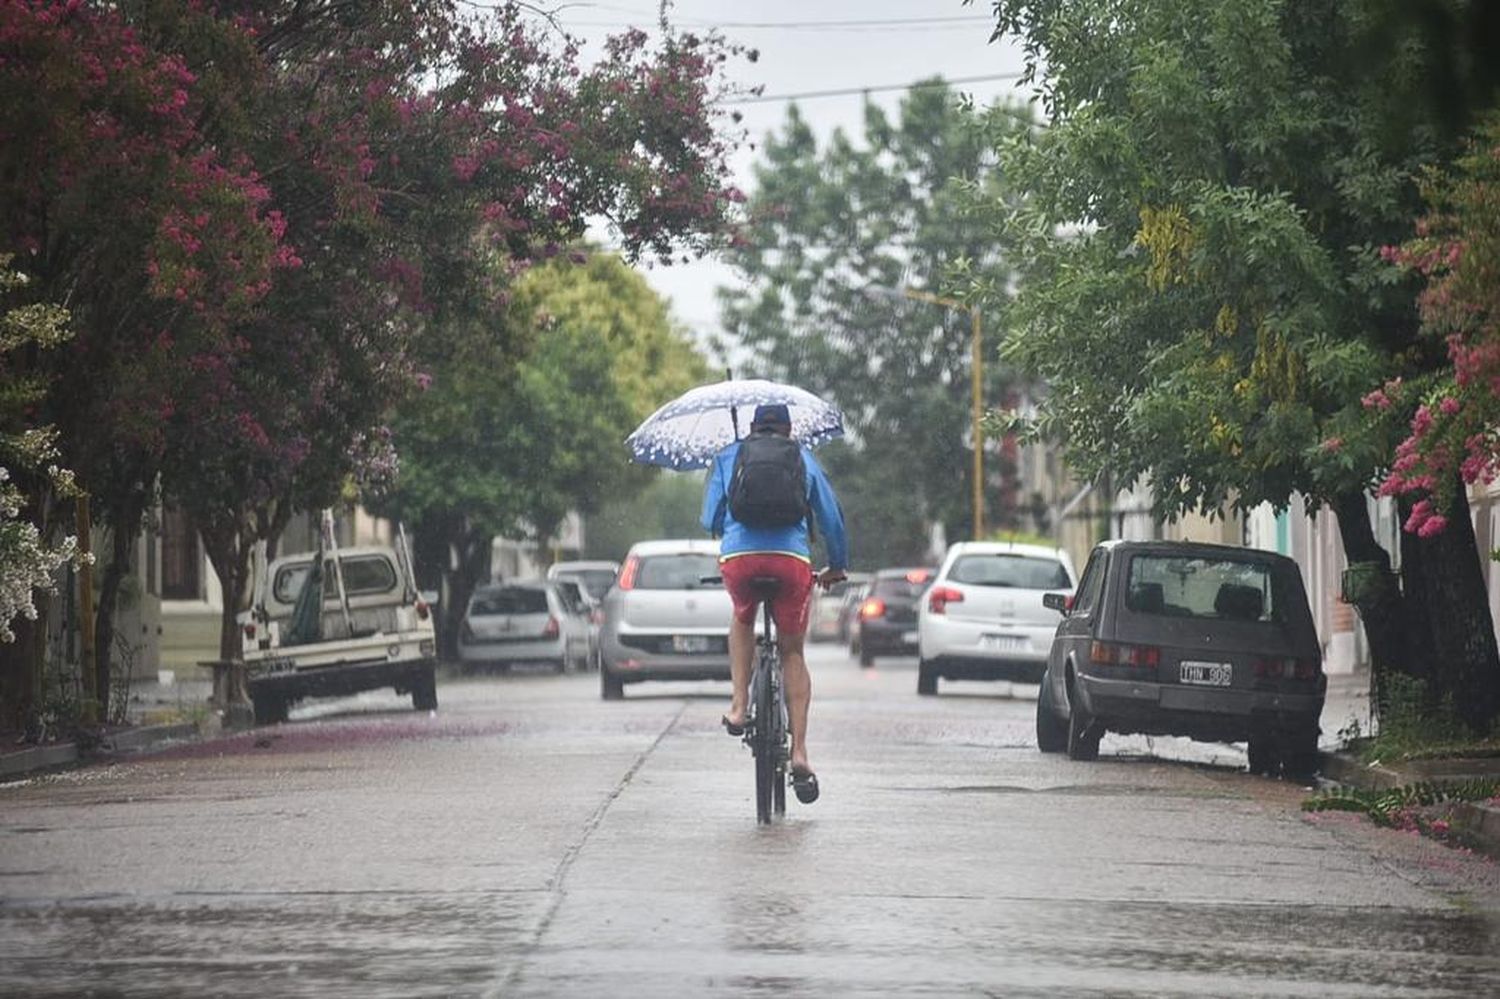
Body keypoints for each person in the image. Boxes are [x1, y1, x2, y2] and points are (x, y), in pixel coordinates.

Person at [701, 403, 848, 804]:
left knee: (742, 618)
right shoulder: (803, 458)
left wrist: (728, 523)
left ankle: (738, 704)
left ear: (751, 428)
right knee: (793, 652)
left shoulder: (730, 455)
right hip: (790, 562)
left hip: (741, 561)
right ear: (788, 429)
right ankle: (799, 751)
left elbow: (708, 519)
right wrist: (837, 565)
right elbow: (831, 518)